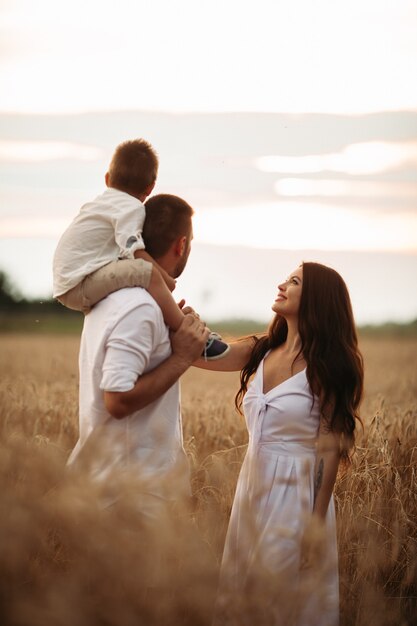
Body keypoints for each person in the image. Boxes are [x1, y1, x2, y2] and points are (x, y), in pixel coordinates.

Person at [196, 262, 364, 626]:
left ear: (317, 298)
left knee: (281, 601)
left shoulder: (330, 365)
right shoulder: (262, 350)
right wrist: (177, 321)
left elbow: (329, 448)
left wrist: (315, 526)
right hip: (252, 488)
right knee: (243, 597)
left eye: (294, 281)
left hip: (297, 497)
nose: (282, 284)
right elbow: (205, 354)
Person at [67, 193, 210, 519]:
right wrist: (181, 358)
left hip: (115, 485)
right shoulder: (141, 307)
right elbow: (117, 400)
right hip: (130, 496)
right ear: (181, 245)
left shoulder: (114, 297)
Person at [52, 138, 228, 360]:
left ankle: (169, 316)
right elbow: (133, 250)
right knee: (148, 274)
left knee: (137, 275)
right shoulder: (131, 208)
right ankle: (188, 331)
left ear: (107, 179)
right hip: (79, 282)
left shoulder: (100, 203)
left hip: (71, 279)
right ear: (150, 187)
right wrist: (164, 279)